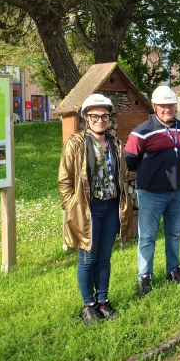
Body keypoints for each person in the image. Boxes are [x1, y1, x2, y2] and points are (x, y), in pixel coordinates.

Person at [58, 94, 133, 326]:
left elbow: (123, 175)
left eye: (104, 116)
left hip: (111, 207)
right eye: (95, 116)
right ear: (85, 117)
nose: (100, 120)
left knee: (104, 257)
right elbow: (65, 181)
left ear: (110, 118)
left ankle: (103, 301)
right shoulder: (76, 144)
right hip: (87, 209)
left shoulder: (116, 144)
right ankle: (88, 305)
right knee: (88, 258)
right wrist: (71, 207)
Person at [125, 85, 180, 298]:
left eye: (171, 105)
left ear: (176, 106)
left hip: (178, 192)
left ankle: (173, 270)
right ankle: (144, 276)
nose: (167, 109)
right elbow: (130, 160)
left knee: (174, 234)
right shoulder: (141, 131)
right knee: (148, 237)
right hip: (152, 193)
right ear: (154, 106)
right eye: (163, 105)